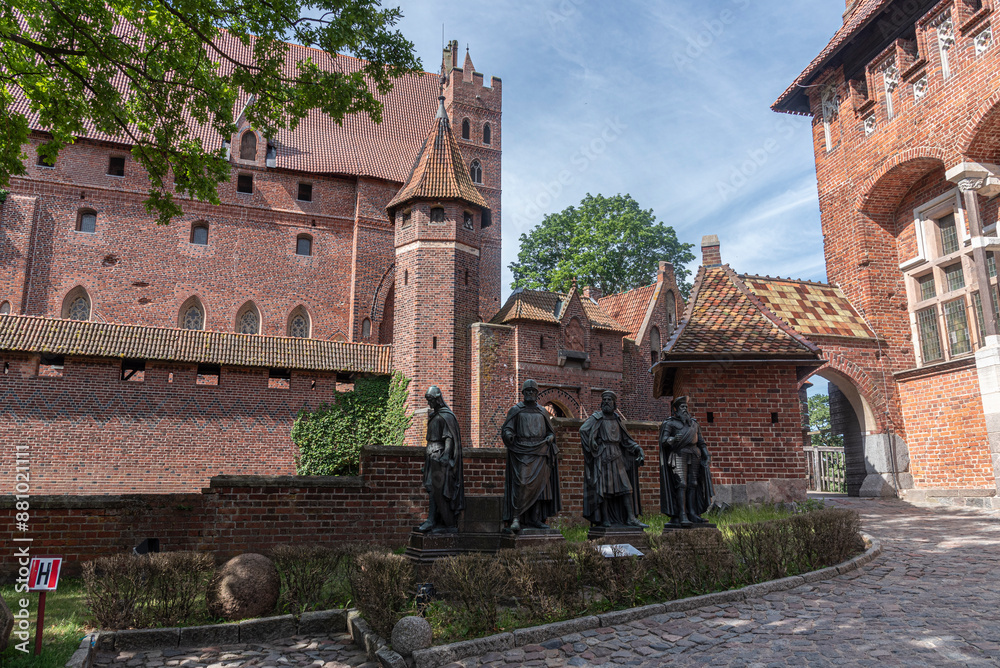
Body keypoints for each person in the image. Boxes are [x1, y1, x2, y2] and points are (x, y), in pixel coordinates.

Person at [500, 379, 562, 533]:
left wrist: (550, 438)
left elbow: (550, 431)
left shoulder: (542, 412)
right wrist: (508, 435)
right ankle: (516, 518)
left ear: (536, 393)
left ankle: (535, 519)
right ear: (523, 393)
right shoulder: (516, 410)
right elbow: (507, 428)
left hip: (540, 452)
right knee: (521, 484)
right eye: (527, 391)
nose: (530, 394)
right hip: (522, 451)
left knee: (540, 488)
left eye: (532, 391)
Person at [579, 391, 646, 528]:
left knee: (626, 488)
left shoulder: (617, 419)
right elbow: (583, 430)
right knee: (604, 489)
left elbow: (626, 440)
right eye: (605, 399)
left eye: (610, 400)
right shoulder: (596, 418)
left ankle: (631, 518)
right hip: (603, 456)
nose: (607, 402)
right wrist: (593, 445)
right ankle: (605, 519)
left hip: (617, 455)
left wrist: (638, 448)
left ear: (614, 404)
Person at [659, 396, 713, 526]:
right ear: (675, 409)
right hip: (679, 454)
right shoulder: (669, 423)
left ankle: (693, 513)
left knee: (693, 483)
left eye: (686, 407)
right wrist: (672, 440)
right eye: (682, 407)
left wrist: (706, 455)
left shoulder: (694, 424)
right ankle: (682, 514)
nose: (685, 409)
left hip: (694, 454)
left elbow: (701, 442)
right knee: (681, 483)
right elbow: (664, 440)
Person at [417, 386, 465, 532]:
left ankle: (434, 520)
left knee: (436, 488)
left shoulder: (446, 416)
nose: (429, 403)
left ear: (438, 398)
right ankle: (436, 520)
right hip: (431, 455)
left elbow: (449, 437)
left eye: (431, 400)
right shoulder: (435, 416)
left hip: (439, 455)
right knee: (431, 487)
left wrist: (445, 456)